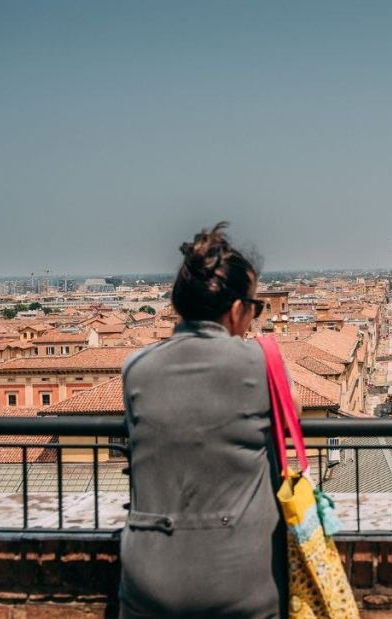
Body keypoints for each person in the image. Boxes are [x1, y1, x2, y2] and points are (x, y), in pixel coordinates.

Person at [119, 223, 295, 618]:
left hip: (146, 578)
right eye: (254, 306)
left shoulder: (136, 368)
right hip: (238, 578)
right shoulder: (261, 364)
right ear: (236, 311)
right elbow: (290, 419)